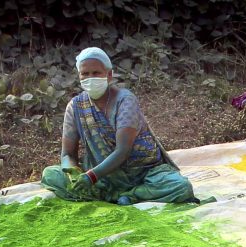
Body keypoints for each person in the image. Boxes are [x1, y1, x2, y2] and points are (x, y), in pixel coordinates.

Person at [41, 47, 196, 205]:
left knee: (181, 187)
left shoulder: (125, 100)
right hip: (101, 176)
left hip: (141, 173)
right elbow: (67, 154)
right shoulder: (75, 106)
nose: (90, 78)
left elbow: (123, 151)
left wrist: (91, 176)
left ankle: (132, 195)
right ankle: (109, 194)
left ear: (109, 75)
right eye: (85, 74)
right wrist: (72, 173)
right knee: (50, 174)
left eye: (96, 73)